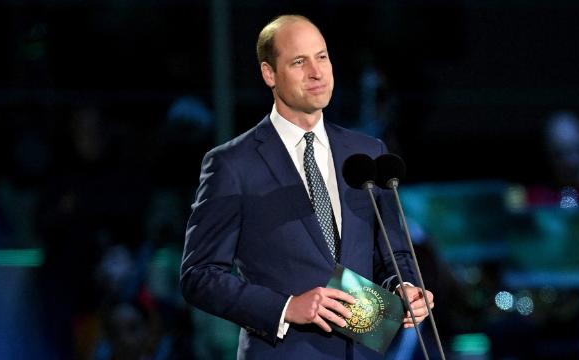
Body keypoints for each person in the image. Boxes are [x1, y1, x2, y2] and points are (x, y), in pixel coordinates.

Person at [180, 15, 434, 359]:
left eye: (322, 57)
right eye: (299, 62)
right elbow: (199, 275)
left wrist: (404, 287)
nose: (317, 72)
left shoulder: (368, 153)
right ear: (270, 73)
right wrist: (286, 307)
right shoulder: (233, 164)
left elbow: (394, 252)